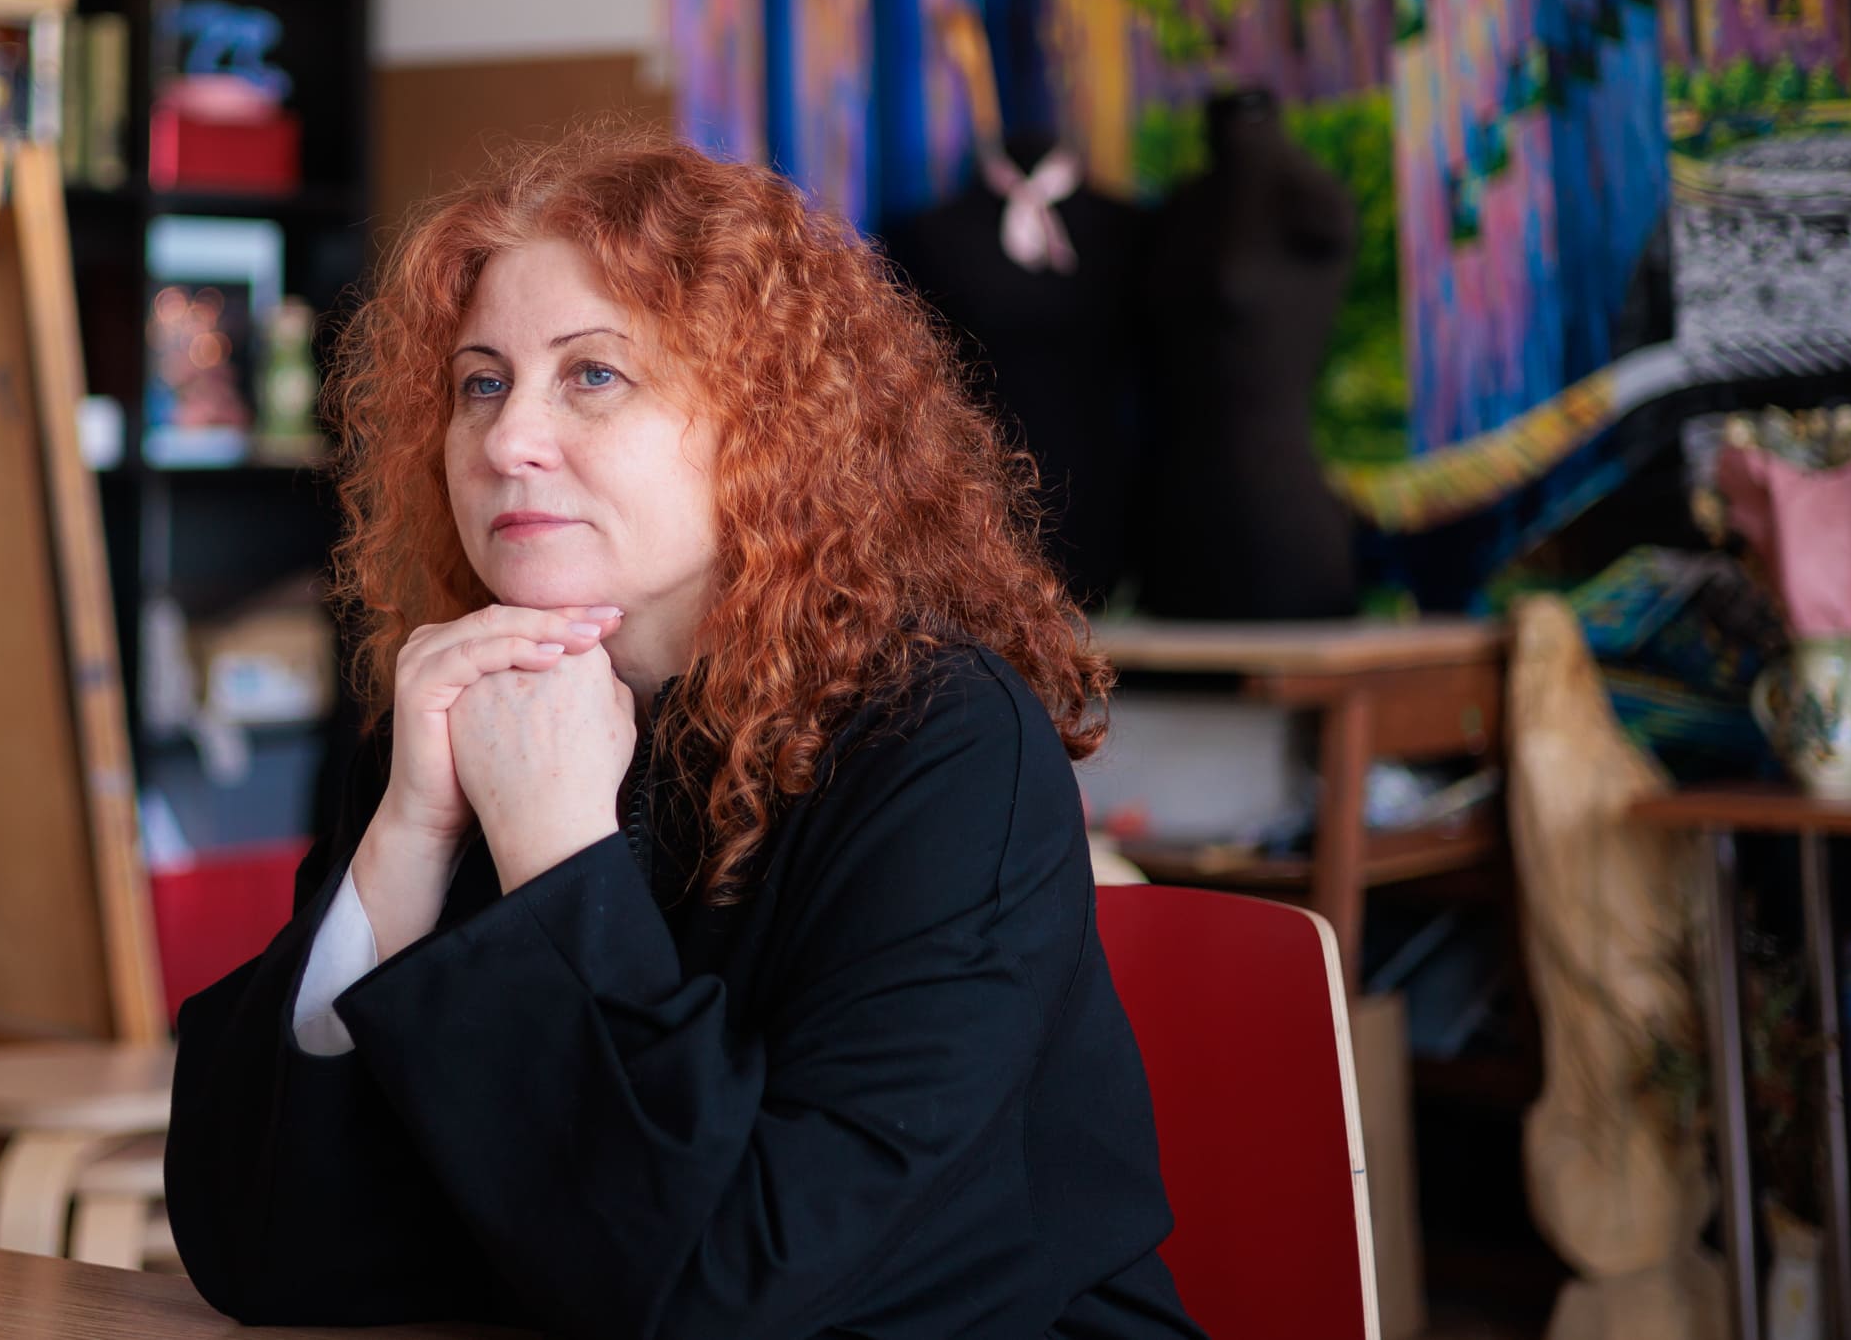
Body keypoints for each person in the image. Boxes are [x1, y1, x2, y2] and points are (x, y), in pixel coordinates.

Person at [165, 128, 1203, 1340]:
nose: (504, 439)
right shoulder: (466, 714)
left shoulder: (945, 740)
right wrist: (406, 839)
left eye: (592, 374)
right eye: (481, 382)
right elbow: (264, 1256)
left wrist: (556, 852)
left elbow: (733, 1288)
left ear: (766, 422)